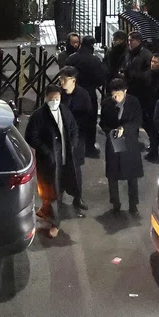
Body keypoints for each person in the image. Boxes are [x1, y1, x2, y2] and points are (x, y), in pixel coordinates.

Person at [24, 85, 81, 238]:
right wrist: (46, 151)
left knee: (58, 190)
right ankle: (55, 221)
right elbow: (31, 136)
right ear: (46, 98)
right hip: (49, 161)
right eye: (52, 99)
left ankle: (50, 216)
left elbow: (74, 129)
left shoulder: (65, 112)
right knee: (51, 191)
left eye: (57, 98)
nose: (55, 101)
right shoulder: (39, 116)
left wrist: (72, 144)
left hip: (64, 159)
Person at [99, 78, 144, 216]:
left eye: (118, 94)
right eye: (113, 95)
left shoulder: (133, 102)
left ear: (125, 91)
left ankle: (133, 204)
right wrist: (110, 131)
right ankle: (115, 203)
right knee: (112, 174)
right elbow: (103, 123)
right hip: (113, 142)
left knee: (132, 175)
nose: (116, 98)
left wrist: (124, 128)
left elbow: (137, 121)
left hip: (129, 142)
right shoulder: (107, 103)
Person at [65, 35, 106, 157]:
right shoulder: (95, 60)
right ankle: (89, 148)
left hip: (72, 93)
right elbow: (101, 78)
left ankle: (73, 147)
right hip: (89, 93)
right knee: (90, 122)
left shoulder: (72, 58)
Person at [58, 66, 90, 213]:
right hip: (60, 138)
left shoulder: (83, 96)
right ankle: (58, 196)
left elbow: (87, 117)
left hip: (76, 139)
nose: (61, 81)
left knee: (76, 169)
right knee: (59, 168)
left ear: (73, 80)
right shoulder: (58, 94)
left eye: (64, 79)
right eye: (61, 78)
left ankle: (78, 197)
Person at [120, 31, 153, 103]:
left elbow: (149, 73)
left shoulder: (146, 55)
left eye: (131, 40)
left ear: (138, 41)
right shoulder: (128, 53)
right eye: (128, 40)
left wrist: (134, 75)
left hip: (141, 89)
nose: (129, 43)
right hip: (129, 87)